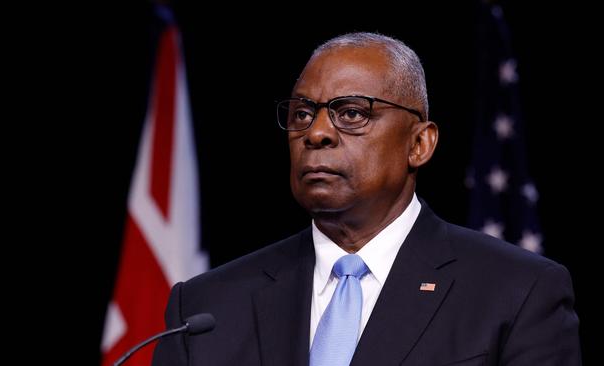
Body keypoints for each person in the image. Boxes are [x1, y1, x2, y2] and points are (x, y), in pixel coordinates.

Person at [152, 32, 581, 366]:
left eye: (352, 113)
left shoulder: (517, 291)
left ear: (419, 144)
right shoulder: (206, 307)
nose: (316, 133)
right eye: (303, 114)